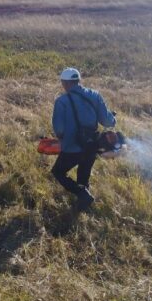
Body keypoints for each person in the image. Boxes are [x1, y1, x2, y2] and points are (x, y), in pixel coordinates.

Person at [51, 68, 116, 211]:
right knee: (83, 176)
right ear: (78, 80)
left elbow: (60, 129)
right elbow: (106, 121)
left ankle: (82, 195)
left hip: (71, 147)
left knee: (58, 172)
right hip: (92, 144)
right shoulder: (95, 95)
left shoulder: (61, 101)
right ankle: (83, 206)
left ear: (65, 83)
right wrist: (113, 119)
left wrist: (61, 138)